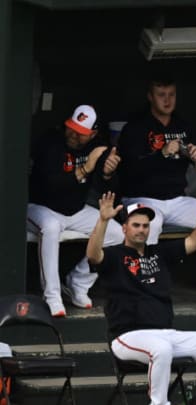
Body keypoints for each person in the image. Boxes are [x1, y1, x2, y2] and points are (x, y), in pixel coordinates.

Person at [87, 192, 196, 405]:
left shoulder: (159, 253)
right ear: (124, 229)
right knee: (161, 349)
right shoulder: (113, 255)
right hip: (127, 337)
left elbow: (195, 241)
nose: (141, 230)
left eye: (146, 226)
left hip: (166, 334)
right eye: (136, 225)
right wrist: (103, 220)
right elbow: (93, 255)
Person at [117, 74, 196, 308]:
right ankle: (145, 287)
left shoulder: (183, 126)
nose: (167, 100)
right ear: (150, 97)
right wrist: (163, 153)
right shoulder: (136, 127)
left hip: (177, 200)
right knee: (149, 224)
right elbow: (131, 168)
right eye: (161, 95)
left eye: (171, 95)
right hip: (140, 197)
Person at [27, 105, 124, 317]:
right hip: (40, 206)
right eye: (71, 128)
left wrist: (108, 173)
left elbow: (109, 188)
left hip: (75, 210)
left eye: (80, 133)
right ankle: (52, 296)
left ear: (93, 134)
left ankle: (78, 282)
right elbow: (50, 185)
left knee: (117, 234)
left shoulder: (98, 147)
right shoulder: (50, 142)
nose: (73, 134)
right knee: (51, 227)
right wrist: (85, 169)